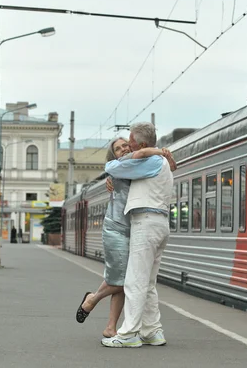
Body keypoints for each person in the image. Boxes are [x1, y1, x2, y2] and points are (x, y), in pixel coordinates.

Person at [75, 136, 176, 338]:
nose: (122, 150)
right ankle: (92, 300)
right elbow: (124, 162)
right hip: (116, 228)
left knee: (122, 278)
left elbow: (167, 168)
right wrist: (159, 151)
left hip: (136, 228)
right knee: (122, 279)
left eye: (125, 146)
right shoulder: (118, 167)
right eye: (118, 148)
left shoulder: (141, 167)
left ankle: (111, 327)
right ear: (114, 154)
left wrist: (167, 158)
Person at [101, 122, 173, 348]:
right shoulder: (158, 161)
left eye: (131, 143)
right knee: (149, 283)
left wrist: (141, 154)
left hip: (146, 221)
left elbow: (112, 166)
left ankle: (128, 333)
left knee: (135, 281)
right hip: (159, 223)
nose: (129, 147)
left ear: (142, 144)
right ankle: (152, 331)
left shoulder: (150, 161)